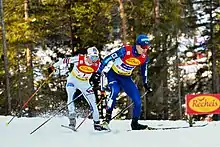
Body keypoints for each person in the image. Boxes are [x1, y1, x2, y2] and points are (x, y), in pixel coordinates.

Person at [91, 34, 153, 130]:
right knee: (114, 91)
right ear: (137, 45)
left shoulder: (144, 57)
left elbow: (144, 70)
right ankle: (106, 121)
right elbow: (108, 58)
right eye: (144, 47)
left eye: (147, 47)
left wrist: (145, 83)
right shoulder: (126, 51)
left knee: (137, 101)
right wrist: (98, 72)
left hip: (126, 78)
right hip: (113, 75)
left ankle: (135, 123)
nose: (145, 49)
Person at [48, 47, 107, 131]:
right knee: (70, 97)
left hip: (85, 83)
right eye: (92, 57)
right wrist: (53, 66)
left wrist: (102, 89)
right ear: (87, 55)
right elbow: (64, 60)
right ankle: (72, 122)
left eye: (96, 57)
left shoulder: (97, 64)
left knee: (93, 103)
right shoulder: (79, 59)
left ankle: (97, 124)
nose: (94, 60)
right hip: (73, 79)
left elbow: (103, 75)